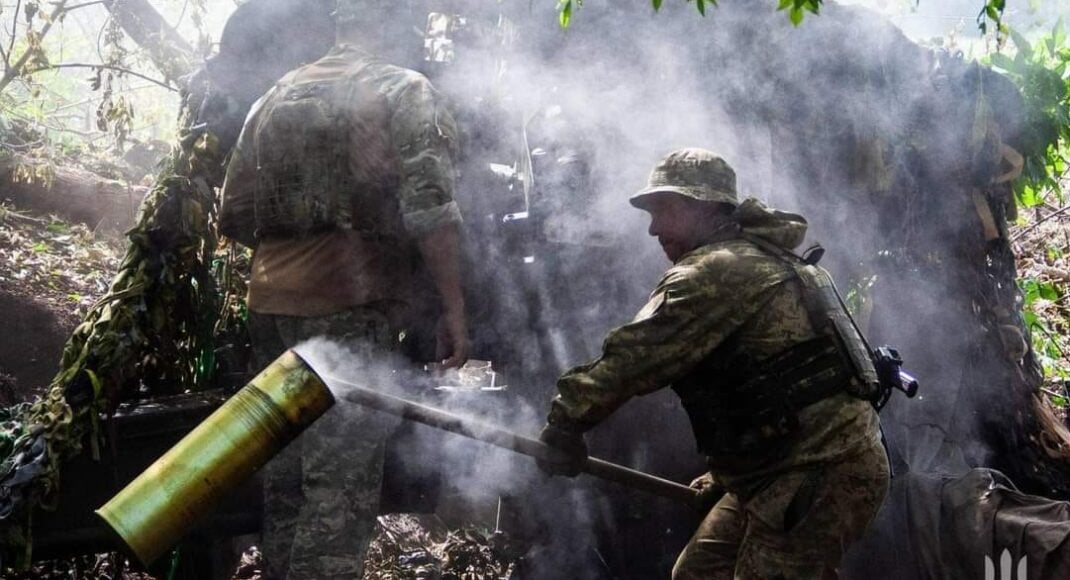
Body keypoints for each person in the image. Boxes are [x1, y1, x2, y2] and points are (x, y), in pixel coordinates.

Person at [536, 148, 890, 579]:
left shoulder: (714, 271)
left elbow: (631, 361)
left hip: (820, 469)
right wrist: (728, 476)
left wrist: (564, 425)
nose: (653, 228)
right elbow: (777, 385)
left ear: (704, 207)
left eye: (664, 209)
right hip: (780, 467)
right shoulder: (759, 257)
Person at [217, 0, 468, 577]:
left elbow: (233, 212)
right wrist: (454, 309)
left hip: (270, 306)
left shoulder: (276, 95)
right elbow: (432, 208)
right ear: (393, 23)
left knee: (286, 482)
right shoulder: (403, 90)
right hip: (349, 309)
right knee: (338, 493)